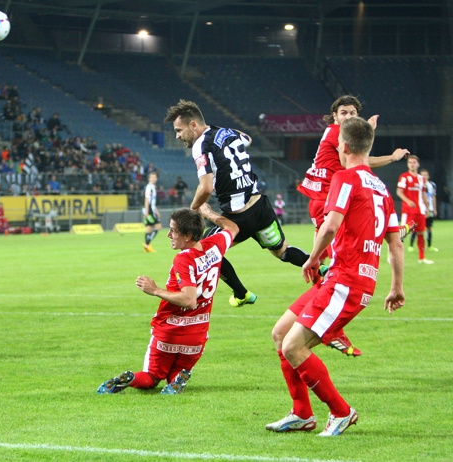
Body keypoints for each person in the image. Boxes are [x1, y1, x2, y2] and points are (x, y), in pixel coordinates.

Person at [266, 117, 404, 436]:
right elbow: (395, 243)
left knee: (293, 347)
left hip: (345, 280)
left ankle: (341, 412)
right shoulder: (382, 189)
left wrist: (312, 259)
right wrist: (396, 287)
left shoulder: (344, 178)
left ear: (342, 145)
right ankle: (302, 413)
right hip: (351, 279)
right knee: (280, 333)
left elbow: (330, 225)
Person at [165, 100, 308, 309]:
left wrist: (193, 208)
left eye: (179, 130)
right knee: (283, 252)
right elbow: (247, 139)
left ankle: (241, 293)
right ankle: (323, 269)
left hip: (238, 216)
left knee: (205, 250)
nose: (177, 135)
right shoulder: (225, 132)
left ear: (193, 125)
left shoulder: (200, 146)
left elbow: (205, 188)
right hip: (261, 207)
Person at [296, 95, 408, 355]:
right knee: (337, 262)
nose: (347, 117)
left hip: (329, 199)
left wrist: (370, 136)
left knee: (326, 263)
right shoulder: (337, 133)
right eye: (343, 112)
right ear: (334, 115)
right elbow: (361, 155)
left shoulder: (342, 137)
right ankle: (334, 327)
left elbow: (361, 155)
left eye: (352, 113)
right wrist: (389, 153)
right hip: (326, 200)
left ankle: (328, 318)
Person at [96, 205, 239, 395]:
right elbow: (233, 228)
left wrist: (155, 290)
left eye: (173, 231)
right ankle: (177, 380)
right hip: (197, 333)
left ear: (187, 236)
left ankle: (131, 379)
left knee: (152, 376)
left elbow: (189, 300)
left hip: (169, 329)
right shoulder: (215, 244)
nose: (168, 235)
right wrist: (208, 213)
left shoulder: (184, 259)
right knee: (175, 375)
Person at [397, 155, 432, 264]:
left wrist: (427, 207)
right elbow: (399, 192)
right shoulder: (404, 177)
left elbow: (423, 194)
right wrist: (408, 201)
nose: (412, 164)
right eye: (410, 162)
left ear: (418, 164)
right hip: (408, 211)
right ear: (408, 164)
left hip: (420, 210)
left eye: (414, 162)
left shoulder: (422, 179)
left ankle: (422, 258)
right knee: (402, 235)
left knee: (421, 233)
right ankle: (394, 256)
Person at [409, 168, 437, 252]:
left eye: (426, 175)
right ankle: (411, 246)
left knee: (429, 227)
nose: (424, 176)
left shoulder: (432, 185)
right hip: (419, 210)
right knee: (414, 227)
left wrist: (434, 209)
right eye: (422, 175)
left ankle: (430, 246)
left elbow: (433, 197)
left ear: (428, 176)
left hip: (429, 209)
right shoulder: (416, 184)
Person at [142, 172, 162, 253]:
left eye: (155, 177)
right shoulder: (149, 187)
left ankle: (146, 248)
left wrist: (156, 211)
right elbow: (146, 200)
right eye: (152, 177)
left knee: (149, 228)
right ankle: (147, 244)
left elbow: (152, 201)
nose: (154, 178)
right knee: (158, 227)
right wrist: (147, 211)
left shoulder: (153, 187)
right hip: (149, 211)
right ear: (149, 179)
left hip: (151, 210)